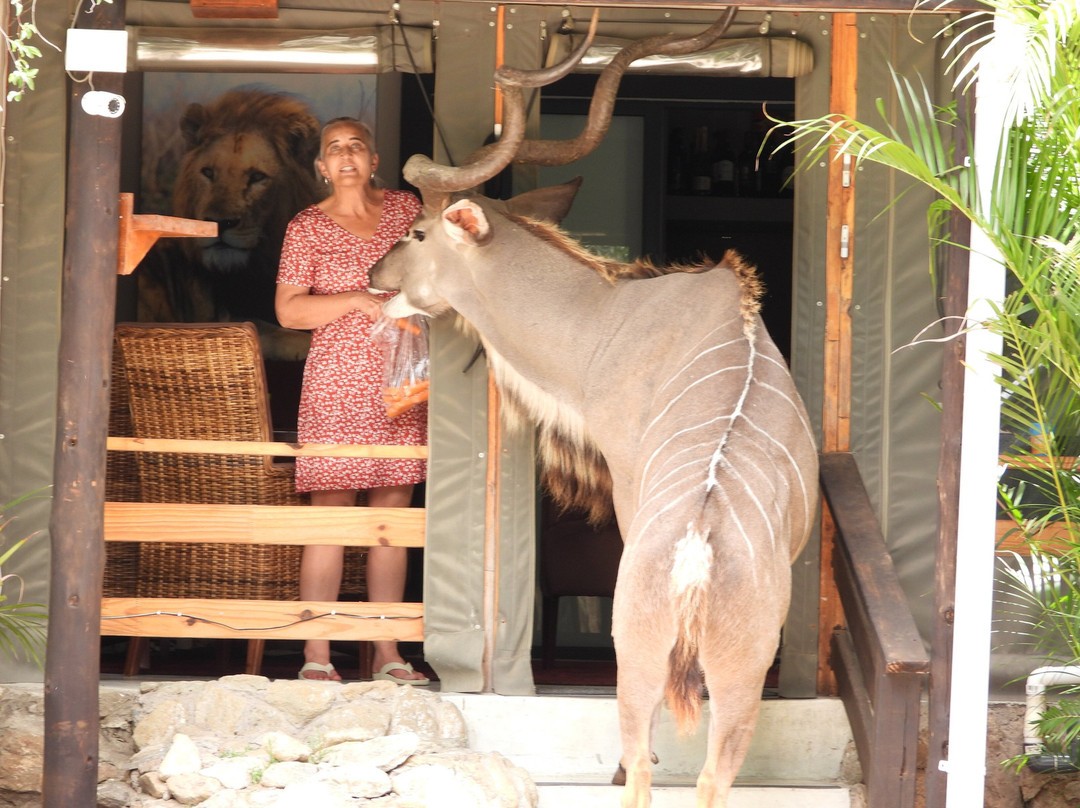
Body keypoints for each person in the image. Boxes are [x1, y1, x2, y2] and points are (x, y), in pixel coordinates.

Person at [275, 117, 429, 684]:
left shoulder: (406, 212)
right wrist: (357, 300)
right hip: (336, 385)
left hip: (402, 381)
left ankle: (386, 651)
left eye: (356, 147)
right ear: (320, 165)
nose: (345, 157)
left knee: (390, 519)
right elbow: (290, 311)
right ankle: (318, 652)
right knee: (332, 518)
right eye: (333, 149)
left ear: (374, 161)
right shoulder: (307, 226)